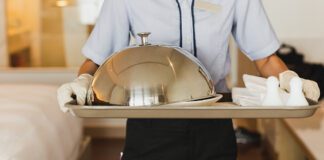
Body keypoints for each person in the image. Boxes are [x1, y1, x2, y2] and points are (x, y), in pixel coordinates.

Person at [57, 0, 320, 159]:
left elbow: (265, 58)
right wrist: (81, 81)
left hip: (214, 122)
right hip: (150, 125)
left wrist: (289, 79)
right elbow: (97, 59)